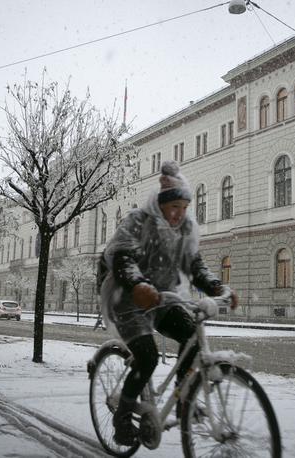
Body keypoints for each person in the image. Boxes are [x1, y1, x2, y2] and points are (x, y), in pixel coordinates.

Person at [99, 161, 238, 445]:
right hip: (128, 297)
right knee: (147, 356)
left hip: (161, 297)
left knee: (192, 338)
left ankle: (183, 396)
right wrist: (137, 284)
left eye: (184, 207)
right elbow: (122, 255)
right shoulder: (139, 220)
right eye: (174, 207)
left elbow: (195, 265)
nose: (179, 214)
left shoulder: (184, 230)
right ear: (161, 205)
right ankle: (122, 419)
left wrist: (218, 287)